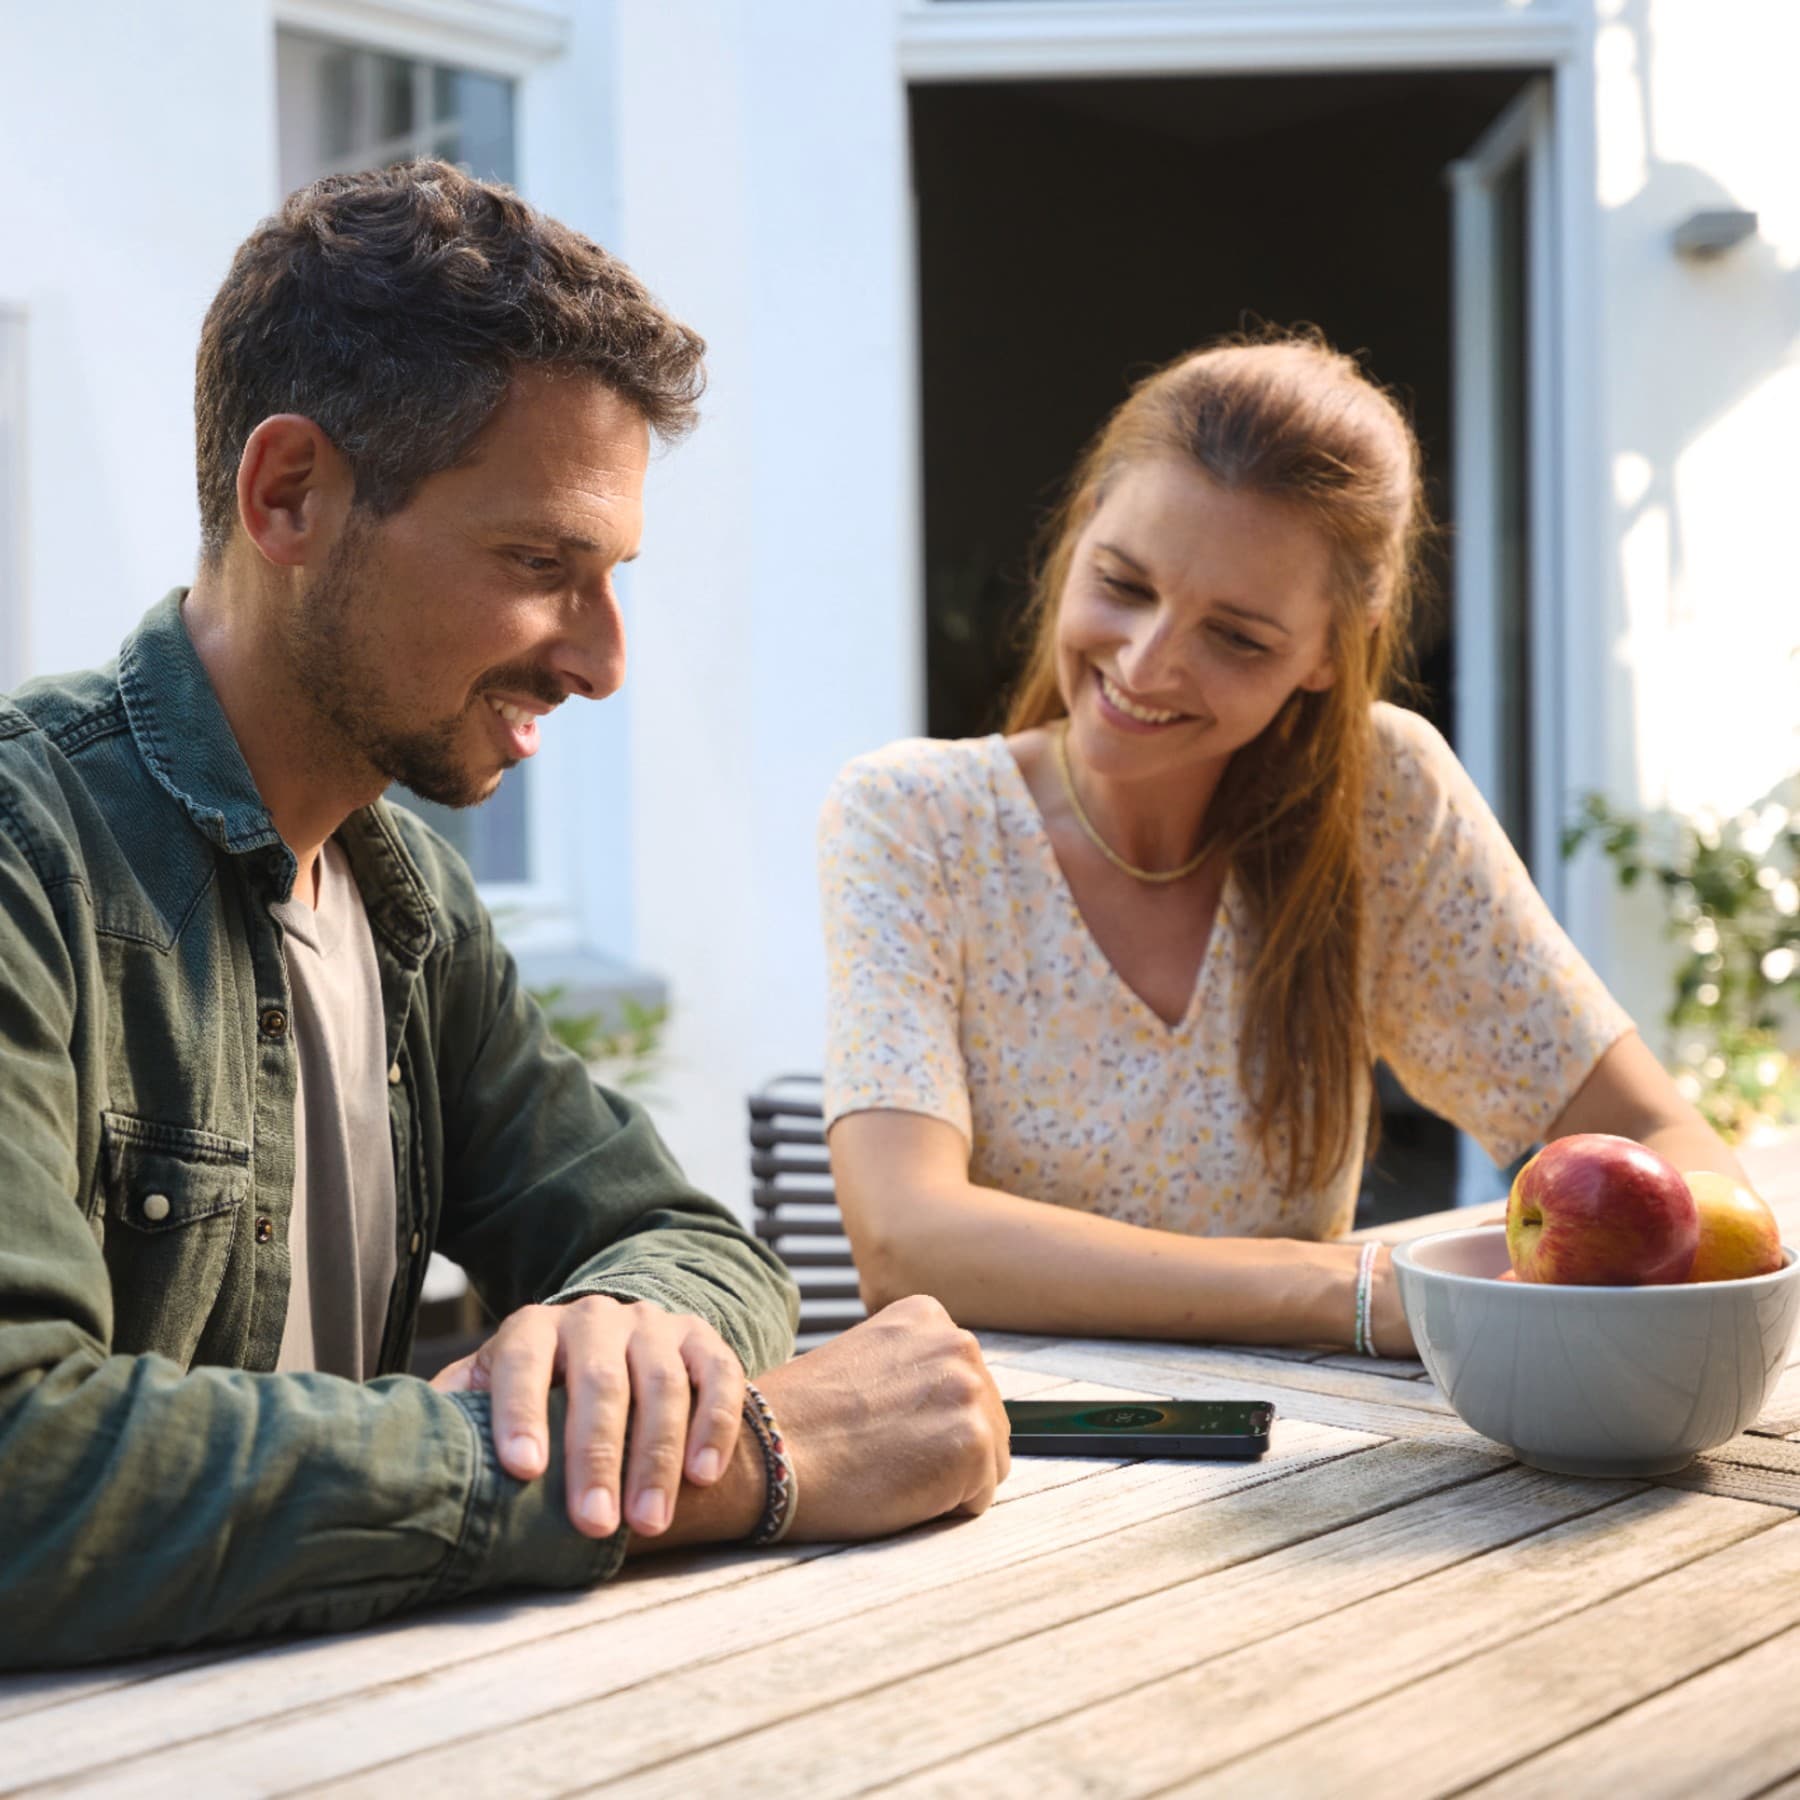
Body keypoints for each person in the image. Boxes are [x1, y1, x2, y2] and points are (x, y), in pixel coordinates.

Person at [0, 161, 1008, 1672]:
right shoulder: (31, 859)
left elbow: (676, 1237)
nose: (602, 661)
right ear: (290, 497)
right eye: (542, 565)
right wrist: (715, 1463)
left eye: (613, 579)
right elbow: (21, 1470)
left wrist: (621, 1340)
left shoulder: (403, 893)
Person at [820, 335, 1749, 1355]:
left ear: (1330, 650)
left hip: (1322, 1465)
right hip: (1016, 1469)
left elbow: (1669, 1144)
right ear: (1083, 528)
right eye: (1124, 583)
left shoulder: (1377, 797)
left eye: (1237, 637)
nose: (1147, 662)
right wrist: (1355, 1291)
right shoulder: (911, 816)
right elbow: (908, 1242)